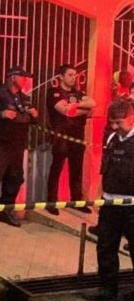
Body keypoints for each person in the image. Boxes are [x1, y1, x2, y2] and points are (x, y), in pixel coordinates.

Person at [0, 66, 38, 227]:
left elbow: (30, 119)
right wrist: (0, 114)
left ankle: (5, 211)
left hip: (17, 146)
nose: (25, 80)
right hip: (0, 144)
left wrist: (34, 115)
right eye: (22, 77)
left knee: (15, 179)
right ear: (12, 77)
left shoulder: (24, 98)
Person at [89, 100, 134, 301]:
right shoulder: (111, 137)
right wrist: (98, 194)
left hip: (131, 205)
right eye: (112, 122)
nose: (115, 126)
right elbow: (105, 168)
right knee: (106, 247)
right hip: (110, 203)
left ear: (131, 118)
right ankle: (108, 290)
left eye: (119, 122)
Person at [45, 64, 96, 215]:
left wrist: (74, 105)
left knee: (77, 169)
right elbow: (65, 111)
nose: (74, 78)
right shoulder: (53, 92)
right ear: (61, 77)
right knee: (56, 168)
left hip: (77, 135)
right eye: (70, 75)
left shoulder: (78, 93)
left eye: (75, 75)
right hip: (61, 135)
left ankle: (76, 201)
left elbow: (93, 104)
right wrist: (81, 109)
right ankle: (51, 202)